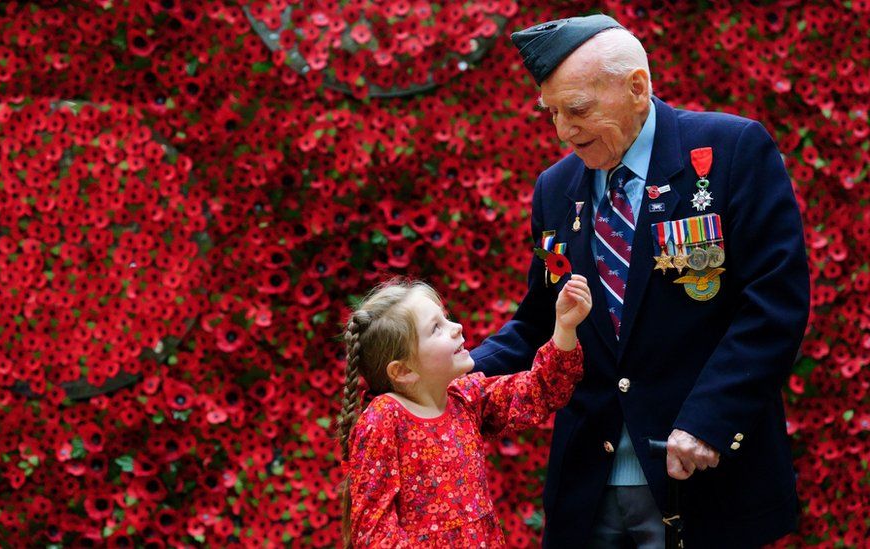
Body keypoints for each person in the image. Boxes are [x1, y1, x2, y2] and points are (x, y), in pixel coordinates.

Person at [471, 14, 810, 549]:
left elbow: (773, 304)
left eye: (577, 110)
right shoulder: (556, 189)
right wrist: (458, 370)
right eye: (552, 113)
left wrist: (708, 419)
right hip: (588, 487)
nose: (563, 131)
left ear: (636, 87)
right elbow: (541, 317)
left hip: (701, 476)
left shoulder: (732, 151)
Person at [337, 275, 592, 547]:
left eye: (446, 318)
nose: (457, 327)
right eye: (436, 328)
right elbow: (374, 532)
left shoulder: (466, 397)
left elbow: (540, 390)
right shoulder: (384, 419)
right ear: (403, 371)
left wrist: (564, 327)